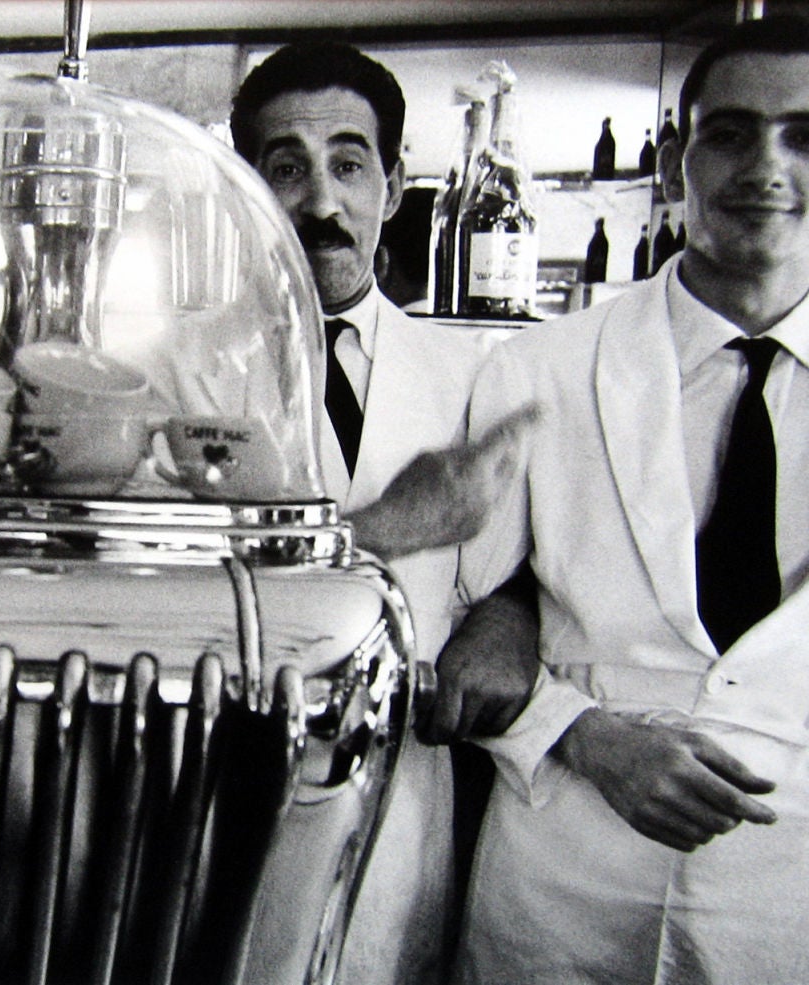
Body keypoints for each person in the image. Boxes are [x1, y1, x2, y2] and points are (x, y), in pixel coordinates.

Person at [451, 16, 809, 983]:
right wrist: (583, 736)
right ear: (673, 160)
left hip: (787, 897)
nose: (767, 167)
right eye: (729, 132)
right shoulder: (541, 369)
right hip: (568, 874)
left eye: (805, 135)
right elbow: (457, 625)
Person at [230, 41, 536, 984]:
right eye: (285, 168)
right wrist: (384, 530)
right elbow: (178, 591)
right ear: (243, 187)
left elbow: (512, 576)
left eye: (348, 164)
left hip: (404, 794)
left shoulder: (478, 371)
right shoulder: (181, 373)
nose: (320, 202)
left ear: (395, 187)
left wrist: (508, 615)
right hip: (231, 785)